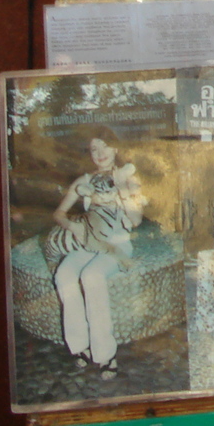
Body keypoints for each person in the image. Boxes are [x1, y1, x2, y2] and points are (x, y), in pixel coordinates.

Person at [49, 129, 147, 380]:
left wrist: (123, 191)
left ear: (116, 149)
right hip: (88, 242)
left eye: (105, 146)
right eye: (94, 149)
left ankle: (105, 354)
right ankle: (78, 346)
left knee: (92, 276)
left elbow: (135, 221)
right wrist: (73, 226)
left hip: (118, 245)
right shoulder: (85, 180)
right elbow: (58, 213)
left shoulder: (128, 177)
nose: (100, 154)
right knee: (64, 274)